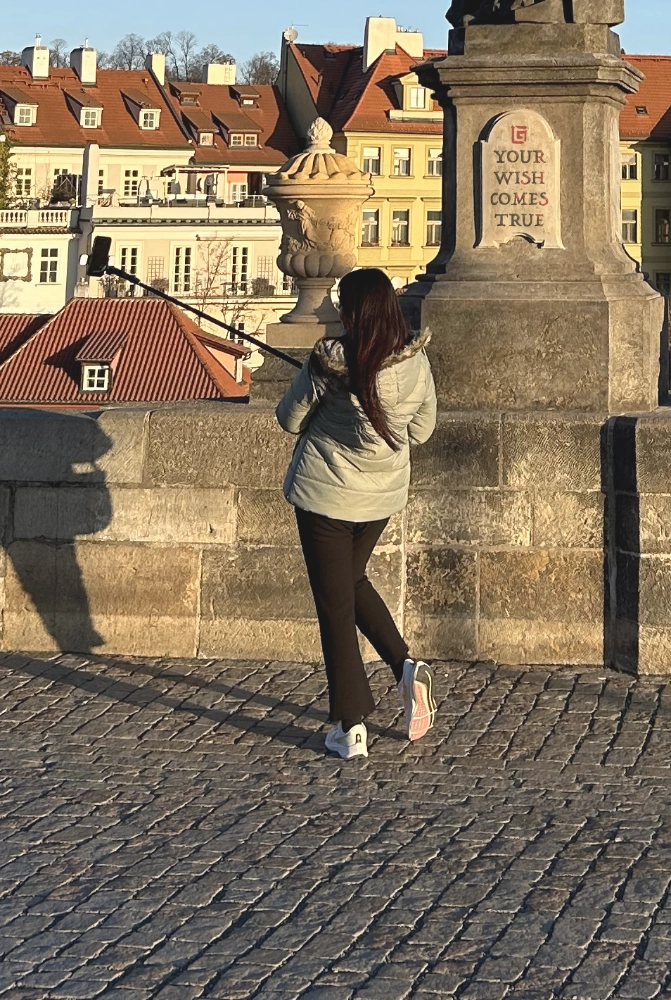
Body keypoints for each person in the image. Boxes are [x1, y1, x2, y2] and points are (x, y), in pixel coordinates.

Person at [276, 268, 438, 760]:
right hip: (380, 499)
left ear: (351, 313)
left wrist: (317, 385)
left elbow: (289, 419)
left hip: (325, 497)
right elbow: (422, 431)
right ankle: (406, 667)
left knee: (335, 606)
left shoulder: (329, 363)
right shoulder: (414, 362)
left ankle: (351, 727)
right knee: (351, 584)